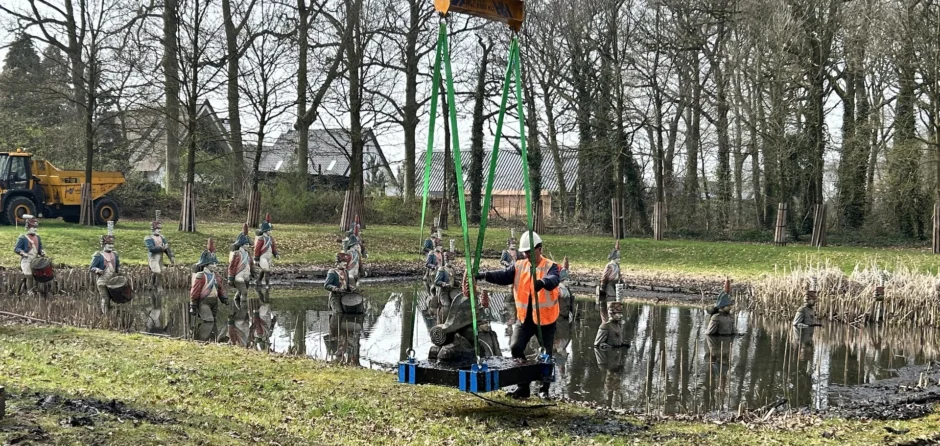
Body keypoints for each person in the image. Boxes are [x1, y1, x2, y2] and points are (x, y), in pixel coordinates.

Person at [477, 231, 560, 400]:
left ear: (539, 249)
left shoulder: (550, 266)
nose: (527, 254)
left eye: (530, 251)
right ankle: (523, 387)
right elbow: (504, 275)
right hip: (525, 319)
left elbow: (554, 280)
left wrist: (543, 282)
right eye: (525, 252)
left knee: (546, 354)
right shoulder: (520, 265)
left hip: (545, 320)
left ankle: (544, 388)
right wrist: (484, 275)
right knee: (516, 347)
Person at [190, 238, 228, 340]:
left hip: (214, 302)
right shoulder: (201, 276)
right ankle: (201, 339)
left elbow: (220, 288)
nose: (215, 266)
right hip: (204, 302)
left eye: (215, 263)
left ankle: (211, 340)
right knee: (209, 320)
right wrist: (193, 305)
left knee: (213, 321)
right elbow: (195, 291)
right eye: (213, 264)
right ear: (206, 264)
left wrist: (224, 298)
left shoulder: (216, 276)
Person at [90, 222, 120, 315]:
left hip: (113, 280)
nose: (111, 246)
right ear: (104, 245)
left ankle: (112, 313)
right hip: (102, 280)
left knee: (115, 298)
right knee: (105, 298)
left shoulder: (115, 254)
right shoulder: (98, 255)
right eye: (108, 245)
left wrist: (119, 272)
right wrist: (98, 270)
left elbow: (117, 266)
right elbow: (91, 267)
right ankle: (105, 314)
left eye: (112, 244)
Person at [14, 214, 46, 296]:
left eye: (35, 228)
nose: (34, 229)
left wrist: (42, 252)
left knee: (38, 275)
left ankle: (36, 289)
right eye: (33, 227)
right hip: (26, 260)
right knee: (28, 274)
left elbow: (40, 249)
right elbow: (16, 248)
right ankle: (29, 291)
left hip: (35, 260)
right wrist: (22, 253)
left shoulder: (38, 237)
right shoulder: (23, 237)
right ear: (28, 228)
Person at [144, 211, 175, 294]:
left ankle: (151, 284)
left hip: (160, 257)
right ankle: (159, 287)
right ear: (153, 229)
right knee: (157, 271)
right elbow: (151, 249)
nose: (159, 230)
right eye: (158, 229)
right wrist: (161, 248)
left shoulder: (162, 237)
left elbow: (167, 248)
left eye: (160, 229)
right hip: (153, 257)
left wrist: (171, 256)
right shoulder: (148, 238)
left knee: (158, 271)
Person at [228, 224, 255, 307]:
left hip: (246, 275)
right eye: (246, 244)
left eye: (248, 244)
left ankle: (236, 303)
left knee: (241, 291)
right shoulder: (237, 254)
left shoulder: (248, 254)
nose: (248, 246)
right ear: (241, 245)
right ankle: (243, 309)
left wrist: (253, 272)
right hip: (238, 276)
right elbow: (232, 266)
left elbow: (251, 264)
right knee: (244, 292)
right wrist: (230, 278)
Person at [597, 241, 623, 323]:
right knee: (612, 296)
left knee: (618, 297)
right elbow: (605, 275)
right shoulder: (609, 265)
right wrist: (603, 284)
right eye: (618, 258)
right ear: (614, 258)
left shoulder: (617, 265)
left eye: (619, 258)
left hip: (616, 283)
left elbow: (619, 274)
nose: (619, 260)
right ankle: (610, 309)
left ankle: (616, 311)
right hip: (609, 283)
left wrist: (621, 280)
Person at [254, 213, 280, 289]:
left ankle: (258, 280)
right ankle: (267, 284)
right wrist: (256, 258)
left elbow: (273, 247)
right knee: (267, 270)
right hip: (263, 256)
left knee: (264, 269)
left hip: (269, 256)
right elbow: (257, 249)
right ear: (265, 231)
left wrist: (276, 254)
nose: (270, 232)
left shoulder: (271, 238)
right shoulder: (261, 239)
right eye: (269, 230)